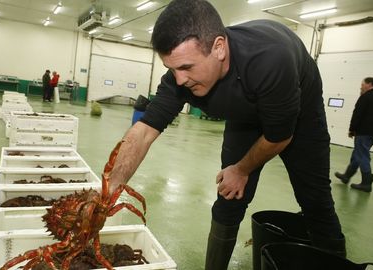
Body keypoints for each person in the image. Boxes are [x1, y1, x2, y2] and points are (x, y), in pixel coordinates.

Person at [105, 0, 346, 269]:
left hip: (299, 117)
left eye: (186, 67)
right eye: (171, 69)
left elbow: (279, 136)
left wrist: (242, 169)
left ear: (218, 48)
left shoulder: (271, 59)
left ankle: (333, 259)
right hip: (244, 117)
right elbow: (145, 130)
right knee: (229, 198)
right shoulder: (179, 79)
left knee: (315, 200)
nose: (180, 79)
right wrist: (109, 188)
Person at [335, 77, 373, 192]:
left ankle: (366, 183)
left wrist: (352, 129)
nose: (361, 86)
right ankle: (346, 176)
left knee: (362, 155)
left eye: (363, 84)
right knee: (358, 153)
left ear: (370, 84)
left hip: (364, 131)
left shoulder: (365, 97)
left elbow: (357, 114)